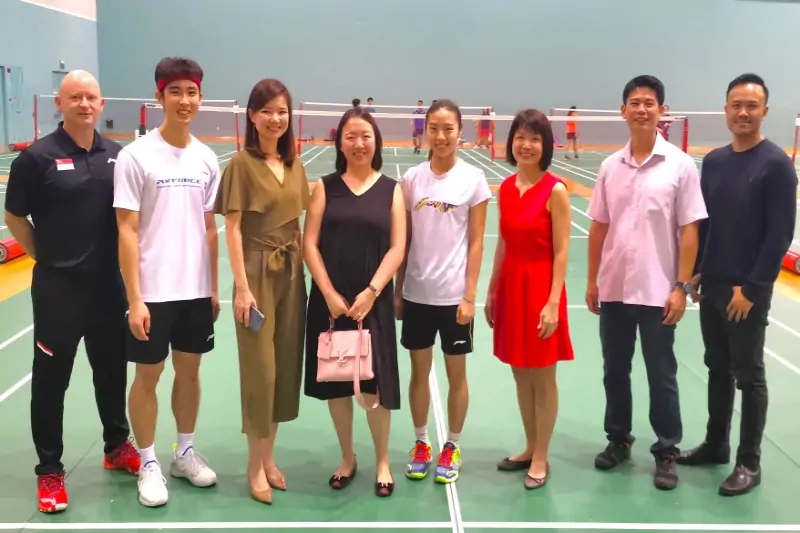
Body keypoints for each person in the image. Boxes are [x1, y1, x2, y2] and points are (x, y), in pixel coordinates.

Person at [3, 70, 141, 514]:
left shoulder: (118, 156)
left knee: (111, 373)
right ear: (60, 105)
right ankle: (49, 469)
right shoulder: (36, 159)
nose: (85, 104)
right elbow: (15, 218)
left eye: (92, 98)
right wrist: (45, 255)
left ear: (102, 106)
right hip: (58, 291)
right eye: (75, 97)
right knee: (50, 382)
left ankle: (116, 445)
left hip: (108, 289)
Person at [585, 75, 707, 491]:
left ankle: (666, 450)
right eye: (634, 102)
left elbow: (690, 230)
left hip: (659, 292)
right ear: (623, 111)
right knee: (614, 371)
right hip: (615, 288)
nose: (641, 108)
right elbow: (599, 227)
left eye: (649, 102)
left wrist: (681, 286)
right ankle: (618, 439)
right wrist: (592, 280)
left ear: (661, 111)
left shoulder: (680, 165)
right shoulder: (608, 167)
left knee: (662, 374)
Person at [677, 73, 797, 497]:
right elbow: (707, 222)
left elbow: (780, 234)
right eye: (736, 104)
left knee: (749, 375)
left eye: (751, 105)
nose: (743, 112)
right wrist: (697, 272)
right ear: (726, 109)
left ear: (764, 111)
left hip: (747, 291)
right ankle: (716, 444)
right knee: (716, 368)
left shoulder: (777, 165)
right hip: (713, 286)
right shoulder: (715, 161)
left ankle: (749, 462)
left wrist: (753, 288)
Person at [114, 57, 221, 508]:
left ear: (200, 97)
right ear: (159, 97)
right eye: (175, 91)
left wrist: (214, 288)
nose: (184, 100)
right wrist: (135, 298)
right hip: (153, 293)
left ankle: (184, 451)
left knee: (190, 372)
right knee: (148, 376)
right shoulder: (135, 155)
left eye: (191, 91)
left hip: (195, 290)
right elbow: (127, 229)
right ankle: (148, 460)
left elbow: (210, 227)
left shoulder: (206, 158)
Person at [214, 78, 309, 505]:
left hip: (292, 274)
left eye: (282, 111)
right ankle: (254, 468)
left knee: (286, 369)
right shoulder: (240, 164)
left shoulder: (295, 165)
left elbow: (298, 227)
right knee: (261, 373)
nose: (275, 119)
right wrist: (242, 287)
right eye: (267, 111)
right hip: (256, 272)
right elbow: (232, 229)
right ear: (252, 116)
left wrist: (310, 276)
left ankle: (270, 459)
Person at [303, 106, 406, 497]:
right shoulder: (324, 187)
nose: (359, 143)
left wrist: (373, 291)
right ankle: (348, 457)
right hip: (331, 304)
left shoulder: (392, 189)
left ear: (375, 141)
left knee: (375, 387)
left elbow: (398, 247)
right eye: (351, 136)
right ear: (340, 143)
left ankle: (382, 459)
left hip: (372, 301)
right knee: (338, 382)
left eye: (366, 136)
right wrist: (328, 293)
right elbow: (308, 242)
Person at [396, 99, 492, 485]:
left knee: (457, 375)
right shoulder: (412, 180)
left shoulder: (474, 180)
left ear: (459, 132)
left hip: (454, 299)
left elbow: (477, 243)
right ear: (426, 131)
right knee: (419, 373)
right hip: (417, 294)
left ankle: (452, 444)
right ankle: (421, 443)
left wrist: (470, 296)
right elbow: (403, 243)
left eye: (448, 128)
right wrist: (399, 291)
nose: (440, 136)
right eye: (434, 128)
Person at [485, 108, 574, 489]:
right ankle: (528, 445)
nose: (526, 145)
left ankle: (541, 455)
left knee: (543, 375)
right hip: (510, 286)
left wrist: (553, 301)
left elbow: (561, 251)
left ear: (546, 145)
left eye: (535, 139)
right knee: (519, 372)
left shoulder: (555, 191)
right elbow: (503, 241)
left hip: (540, 289)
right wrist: (491, 288)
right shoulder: (505, 188)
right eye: (520, 137)